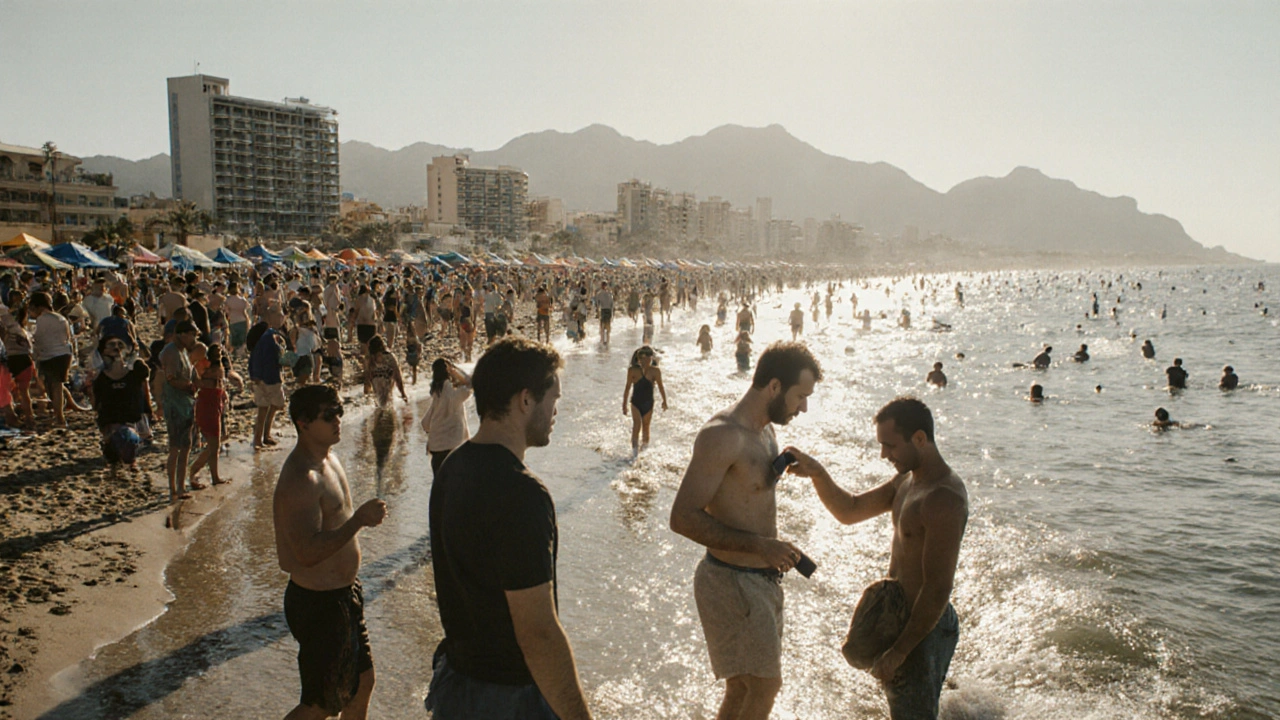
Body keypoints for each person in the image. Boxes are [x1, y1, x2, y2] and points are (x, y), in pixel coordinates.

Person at [425, 337, 593, 720]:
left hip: (457, 685)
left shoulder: (451, 468)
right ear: (526, 400)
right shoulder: (522, 493)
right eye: (554, 398)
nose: (556, 411)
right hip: (509, 699)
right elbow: (538, 634)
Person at [786, 397, 967, 720]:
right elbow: (849, 510)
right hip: (898, 621)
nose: (884, 455)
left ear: (920, 439)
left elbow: (938, 587)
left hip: (922, 629)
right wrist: (817, 473)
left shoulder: (944, 498)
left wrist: (899, 652)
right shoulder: (906, 482)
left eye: (890, 446)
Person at [669, 342, 823, 720]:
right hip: (730, 581)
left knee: (742, 687)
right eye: (800, 396)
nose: (803, 407)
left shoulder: (766, 430)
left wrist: (787, 467)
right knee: (765, 686)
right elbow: (682, 517)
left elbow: (747, 492)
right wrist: (760, 546)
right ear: (774, 386)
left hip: (760, 579)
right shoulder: (722, 436)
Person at [273, 384, 386, 720]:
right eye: (329, 414)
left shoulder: (330, 458)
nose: (339, 419)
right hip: (318, 603)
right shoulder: (301, 479)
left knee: (362, 683)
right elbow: (305, 553)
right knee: (320, 705)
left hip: (343, 595)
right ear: (303, 422)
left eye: (339, 410)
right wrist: (359, 522)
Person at [92, 335, 148, 469]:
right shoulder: (100, 378)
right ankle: (112, 450)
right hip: (111, 421)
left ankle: (128, 455)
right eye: (111, 345)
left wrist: (148, 413)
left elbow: (145, 390)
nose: (116, 348)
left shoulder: (136, 371)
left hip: (132, 420)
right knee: (120, 438)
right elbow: (96, 405)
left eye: (120, 345)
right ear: (103, 351)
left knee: (129, 439)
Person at [160, 320, 200, 501]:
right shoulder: (171, 352)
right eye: (192, 335)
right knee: (176, 448)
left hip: (186, 404)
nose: (194, 339)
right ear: (182, 334)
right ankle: (173, 489)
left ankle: (181, 486)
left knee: (186, 447)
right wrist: (189, 386)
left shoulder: (183, 351)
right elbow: (171, 379)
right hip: (175, 404)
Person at [30, 292, 76, 428]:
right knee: (56, 386)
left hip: (50, 355)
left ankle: (60, 418)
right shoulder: (61, 318)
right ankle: (59, 416)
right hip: (64, 354)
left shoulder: (41, 320)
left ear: (37, 307)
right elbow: (68, 337)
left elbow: (37, 339)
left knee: (53, 387)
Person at [188, 344, 231, 487]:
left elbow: (218, 385)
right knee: (214, 445)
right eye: (217, 352)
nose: (219, 354)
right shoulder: (208, 370)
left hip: (214, 405)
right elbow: (201, 383)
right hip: (208, 406)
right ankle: (202, 473)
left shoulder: (215, 369)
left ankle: (201, 472)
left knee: (215, 444)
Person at [421, 358, 472, 476]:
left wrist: (431, 436)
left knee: (439, 487)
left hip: (436, 448)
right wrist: (456, 371)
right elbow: (470, 383)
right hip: (454, 447)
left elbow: (425, 423)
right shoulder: (455, 393)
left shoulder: (436, 396)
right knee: (455, 487)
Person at [250, 309, 288, 449]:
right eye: (279, 315)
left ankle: (263, 436)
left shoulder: (267, 335)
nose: (282, 318)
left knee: (266, 408)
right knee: (269, 407)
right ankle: (260, 438)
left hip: (263, 376)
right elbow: (268, 357)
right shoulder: (269, 336)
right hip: (269, 377)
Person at [622, 346, 667, 455]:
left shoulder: (655, 371)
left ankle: (644, 451)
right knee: (637, 424)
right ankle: (634, 452)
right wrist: (624, 404)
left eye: (646, 358)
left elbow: (661, 387)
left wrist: (664, 401)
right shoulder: (632, 370)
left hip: (648, 403)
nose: (644, 361)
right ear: (638, 359)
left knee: (646, 426)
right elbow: (627, 388)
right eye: (641, 359)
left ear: (651, 358)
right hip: (635, 403)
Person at [363, 335, 408, 407]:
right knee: (386, 403)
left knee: (381, 403)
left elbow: (368, 376)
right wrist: (403, 393)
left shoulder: (370, 359)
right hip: (386, 383)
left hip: (379, 384)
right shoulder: (389, 357)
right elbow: (398, 376)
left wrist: (366, 390)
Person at [596, 282, 614, 346]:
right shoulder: (610, 293)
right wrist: (612, 313)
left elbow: (598, 304)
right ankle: (608, 341)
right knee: (608, 325)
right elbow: (612, 304)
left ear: (601, 286)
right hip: (608, 310)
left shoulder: (599, 293)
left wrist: (598, 312)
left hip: (603, 310)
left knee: (602, 326)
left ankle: (602, 340)